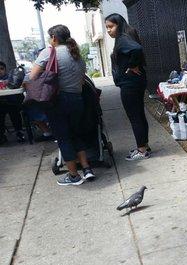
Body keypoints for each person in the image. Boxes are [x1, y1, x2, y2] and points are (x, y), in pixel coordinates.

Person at [29, 25, 94, 186]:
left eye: (49, 37)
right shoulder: (77, 54)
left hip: (58, 101)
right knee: (76, 134)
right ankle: (86, 169)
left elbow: (32, 76)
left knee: (63, 138)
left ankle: (73, 176)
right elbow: (81, 80)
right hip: (77, 100)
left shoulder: (49, 52)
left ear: (54, 38)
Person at [105, 13, 151, 160]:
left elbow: (136, 49)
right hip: (134, 82)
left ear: (119, 25)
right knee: (139, 114)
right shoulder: (125, 37)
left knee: (135, 116)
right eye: (106, 27)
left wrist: (132, 65)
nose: (108, 30)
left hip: (130, 84)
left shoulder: (123, 39)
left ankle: (142, 149)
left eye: (111, 26)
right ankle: (144, 146)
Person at [0, 61, 26, 144]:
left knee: (14, 113)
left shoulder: (11, 78)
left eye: (1, 69)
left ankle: (19, 132)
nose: (0, 71)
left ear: (5, 69)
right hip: (1, 104)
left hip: (12, 102)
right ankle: (1, 135)